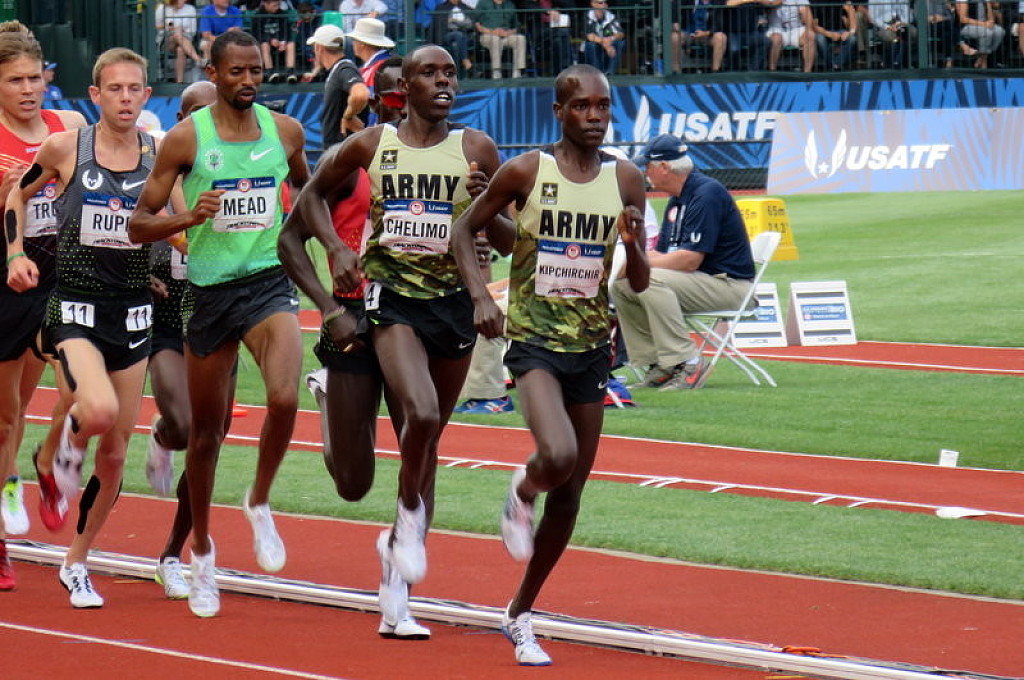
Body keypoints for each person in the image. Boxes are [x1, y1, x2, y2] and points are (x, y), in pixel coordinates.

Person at [279, 44, 511, 638]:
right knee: (362, 474)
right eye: (429, 73)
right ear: (404, 87)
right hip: (387, 302)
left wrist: (488, 202)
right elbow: (305, 205)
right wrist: (336, 250)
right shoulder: (371, 144)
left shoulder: (477, 148)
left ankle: (396, 593)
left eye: (450, 72)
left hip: (452, 310)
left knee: (423, 440)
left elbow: (511, 241)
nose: (443, 82)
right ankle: (332, 401)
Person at [449, 63, 650, 666]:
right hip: (534, 341)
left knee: (571, 497)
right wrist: (482, 297)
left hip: (591, 349)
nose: (594, 116)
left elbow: (639, 281)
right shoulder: (526, 171)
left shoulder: (626, 178)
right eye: (582, 106)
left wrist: (634, 243)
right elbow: (464, 232)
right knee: (556, 456)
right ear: (559, 111)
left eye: (603, 106)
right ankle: (521, 487)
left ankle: (520, 612)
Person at [128, 30, 310, 618]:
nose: (248, 80)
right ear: (214, 73)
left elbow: (308, 192)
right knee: (206, 436)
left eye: (255, 69)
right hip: (209, 295)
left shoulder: (286, 131)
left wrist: (325, 239)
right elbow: (138, 224)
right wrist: (188, 217)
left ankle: (259, 499)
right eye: (236, 71)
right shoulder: (188, 138)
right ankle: (201, 553)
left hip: (267, 283)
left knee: (285, 398)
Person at [7, 47, 156, 608]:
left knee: (114, 455)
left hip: (133, 312)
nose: (125, 98)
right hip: (72, 306)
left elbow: (176, 227)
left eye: (134, 89)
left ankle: (76, 562)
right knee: (96, 410)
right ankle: (57, 452)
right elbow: (18, 195)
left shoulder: (159, 155)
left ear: (146, 95)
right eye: (114, 89)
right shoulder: (67, 146)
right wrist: (15, 252)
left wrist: (192, 235)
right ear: (96, 95)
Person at [0, 28, 86, 591]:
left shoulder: (70, 127)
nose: (29, 89)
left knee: (79, 389)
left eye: (35, 78)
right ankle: (3, 518)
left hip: (62, 280)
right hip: (9, 281)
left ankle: (46, 457)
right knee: (9, 412)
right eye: (15, 81)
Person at [143, 80, 223, 601]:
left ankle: (173, 555)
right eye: (197, 113)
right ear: (180, 119)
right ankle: (163, 433)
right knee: (185, 425)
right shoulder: (158, 169)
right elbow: (127, 227)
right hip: (166, 322)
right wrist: (142, 273)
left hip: (218, 321)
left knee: (208, 445)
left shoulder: (234, 175)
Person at [610, 133, 755, 391]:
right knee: (623, 285)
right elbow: (663, 255)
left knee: (648, 279)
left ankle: (688, 361)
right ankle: (659, 364)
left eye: (648, 166)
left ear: (664, 167)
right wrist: (636, 264)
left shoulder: (706, 194)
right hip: (701, 283)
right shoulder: (678, 199)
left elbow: (689, 260)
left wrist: (640, 264)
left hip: (730, 286)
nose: (645, 173)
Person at [307, 23, 369, 148]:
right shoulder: (339, 69)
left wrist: (348, 117)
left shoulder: (344, 68)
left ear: (318, 47)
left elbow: (361, 94)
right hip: (342, 150)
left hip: (343, 151)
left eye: (313, 47)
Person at [346, 18, 396, 125]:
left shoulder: (379, 68)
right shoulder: (383, 65)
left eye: (355, 40)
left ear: (362, 43)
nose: (353, 44)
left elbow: (377, 109)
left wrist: (371, 132)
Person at [474, 0, 528, 80]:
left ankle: (517, 72)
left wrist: (509, 32)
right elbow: (476, 23)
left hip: (506, 36)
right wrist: (491, 32)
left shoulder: (510, 4)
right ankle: (496, 73)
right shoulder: (483, 3)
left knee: (520, 39)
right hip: (487, 35)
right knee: (495, 39)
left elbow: (516, 26)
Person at [859, 0, 916, 68]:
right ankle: (894, 63)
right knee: (889, 36)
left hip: (902, 23)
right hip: (884, 26)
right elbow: (873, 18)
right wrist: (887, 27)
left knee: (913, 32)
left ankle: (905, 62)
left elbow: (909, 15)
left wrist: (901, 23)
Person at [252, 0, 299, 82]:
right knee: (264, 45)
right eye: (274, 5)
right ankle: (270, 72)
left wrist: (283, 41)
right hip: (265, 42)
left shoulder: (282, 14)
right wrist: (270, 40)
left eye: (278, 5)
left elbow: (286, 30)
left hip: (279, 41)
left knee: (291, 44)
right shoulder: (258, 16)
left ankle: (290, 72)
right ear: (266, 4)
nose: (277, 7)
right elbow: (257, 34)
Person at [675, 0, 728, 73]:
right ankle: (675, 72)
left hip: (707, 35)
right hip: (688, 33)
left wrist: (706, 33)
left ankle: (715, 71)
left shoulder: (718, 2)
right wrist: (676, 24)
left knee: (721, 37)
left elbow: (720, 24)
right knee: (674, 37)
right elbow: (674, 6)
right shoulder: (688, 1)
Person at [156, 0, 201, 84]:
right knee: (177, 34)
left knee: (180, 50)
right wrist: (170, 27)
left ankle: (179, 82)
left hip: (186, 39)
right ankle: (198, 60)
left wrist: (181, 30)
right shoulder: (162, 8)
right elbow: (156, 26)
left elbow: (193, 31)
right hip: (167, 40)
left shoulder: (190, 9)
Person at [429, 0, 477, 79]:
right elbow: (440, 24)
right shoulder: (442, 8)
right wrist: (460, 23)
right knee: (458, 35)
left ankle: (457, 74)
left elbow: (470, 24)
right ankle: (466, 62)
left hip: (465, 35)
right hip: (447, 34)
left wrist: (455, 21)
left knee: (455, 45)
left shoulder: (465, 7)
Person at [766, 0, 816, 72]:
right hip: (776, 29)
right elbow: (767, 5)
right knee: (776, 38)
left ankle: (807, 72)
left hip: (796, 28)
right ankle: (772, 71)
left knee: (810, 36)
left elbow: (806, 13)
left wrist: (809, 29)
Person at [956, 0, 1005, 68]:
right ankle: (984, 62)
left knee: (1000, 31)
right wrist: (984, 24)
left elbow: (990, 19)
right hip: (967, 26)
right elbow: (963, 19)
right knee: (987, 33)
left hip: (983, 25)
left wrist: (988, 3)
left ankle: (981, 58)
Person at [581, 0, 625, 76]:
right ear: (593, 4)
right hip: (594, 45)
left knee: (620, 43)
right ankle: (598, 74)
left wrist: (610, 39)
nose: (604, 5)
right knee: (591, 45)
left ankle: (610, 72)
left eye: (605, 2)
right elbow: (590, 36)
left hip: (608, 43)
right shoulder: (588, 15)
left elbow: (620, 34)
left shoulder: (611, 15)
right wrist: (605, 43)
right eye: (601, 3)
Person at [811, 0, 856, 70]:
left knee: (852, 39)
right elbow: (815, 27)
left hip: (840, 30)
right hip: (823, 32)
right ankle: (832, 65)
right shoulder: (816, 2)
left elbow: (852, 27)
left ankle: (836, 64)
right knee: (820, 39)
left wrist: (849, 33)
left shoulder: (843, 1)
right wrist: (830, 34)